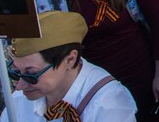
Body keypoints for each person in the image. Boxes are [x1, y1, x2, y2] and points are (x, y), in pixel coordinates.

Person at [8, 11, 139, 122]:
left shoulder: (110, 104)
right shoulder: (20, 97)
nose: (19, 86)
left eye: (31, 74)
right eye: (15, 72)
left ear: (70, 60)